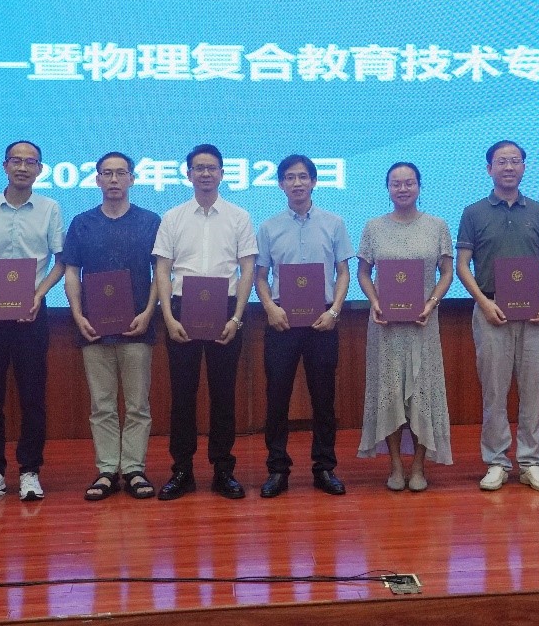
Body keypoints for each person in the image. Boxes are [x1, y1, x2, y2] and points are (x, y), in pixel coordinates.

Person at [0, 141, 65, 502]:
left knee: (33, 395)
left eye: (30, 162)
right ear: (4, 166)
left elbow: (61, 261)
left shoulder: (50, 208)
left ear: (40, 169)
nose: (23, 167)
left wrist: (39, 293)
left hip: (32, 311)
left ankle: (30, 471)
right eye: (16, 161)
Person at [153, 144, 257, 500]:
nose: (206, 173)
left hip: (225, 309)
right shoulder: (173, 217)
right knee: (182, 396)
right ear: (188, 174)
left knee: (223, 395)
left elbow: (247, 269)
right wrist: (168, 316)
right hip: (182, 309)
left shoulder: (239, 217)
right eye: (199, 168)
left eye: (212, 168)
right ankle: (182, 470)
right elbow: (162, 269)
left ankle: (223, 469)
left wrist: (237, 317)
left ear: (223, 173)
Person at [456, 141, 539, 492]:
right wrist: (483, 303)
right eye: (502, 161)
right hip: (491, 310)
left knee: (534, 391)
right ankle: (496, 461)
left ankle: (531, 462)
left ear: (524, 167)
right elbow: (462, 264)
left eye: (515, 161)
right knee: (494, 392)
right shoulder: (473, 212)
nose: (509, 167)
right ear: (489, 169)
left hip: (535, 313)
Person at [62, 152, 161, 501]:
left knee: (137, 405)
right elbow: (71, 272)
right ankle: (106, 469)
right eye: (107, 173)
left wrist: (149, 312)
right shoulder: (81, 223)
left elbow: (161, 272)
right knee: (102, 404)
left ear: (132, 178)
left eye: (121, 173)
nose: (114, 179)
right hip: (93, 328)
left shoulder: (150, 221)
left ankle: (133, 469)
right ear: (97, 179)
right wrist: (77, 315)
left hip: (137, 326)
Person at [255, 154, 353, 498]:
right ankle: (277, 469)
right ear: (281, 184)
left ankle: (324, 467)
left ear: (314, 181)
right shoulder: (268, 227)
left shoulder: (334, 223)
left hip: (322, 320)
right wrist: (269, 307)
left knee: (323, 398)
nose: (297, 183)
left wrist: (335, 311)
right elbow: (260, 276)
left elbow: (343, 272)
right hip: (281, 320)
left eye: (303, 177)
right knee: (277, 397)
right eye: (290, 177)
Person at [358, 162, 455, 491]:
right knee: (390, 393)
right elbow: (363, 273)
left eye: (409, 182)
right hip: (385, 327)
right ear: (387, 188)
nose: (403, 188)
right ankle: (396, 466)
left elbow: (447, 272)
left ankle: (419, 468)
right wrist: (374, 301)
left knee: (422, 393)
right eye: (396, 183)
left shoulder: (437, 225)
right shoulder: (373, 227)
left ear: (419, 186)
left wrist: (431, 303)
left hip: (423, 325)